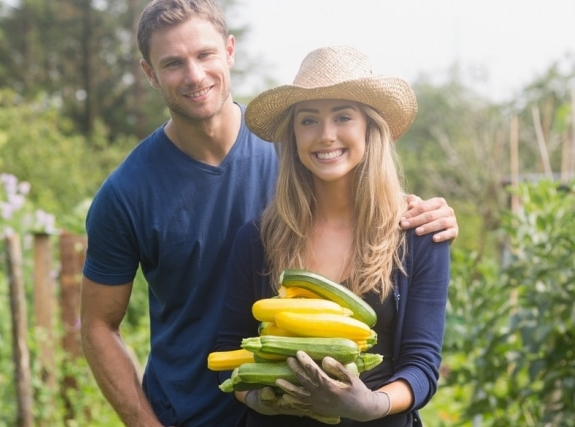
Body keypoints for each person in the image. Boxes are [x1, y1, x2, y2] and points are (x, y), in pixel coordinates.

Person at [80, 1, 457, 426]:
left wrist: (422, 216)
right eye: (173, 63)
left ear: (229, 51)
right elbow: (97, 325)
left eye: (204, 54)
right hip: (192, 414)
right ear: (149, 73)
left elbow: (360, 190)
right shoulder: (127, 193)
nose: (194, 74)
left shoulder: (301, 154)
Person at [213, 45, 451, 427]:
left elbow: (422, 366)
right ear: (293, 134)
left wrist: (372, 404)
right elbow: (228, 353)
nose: (326, 135)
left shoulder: (418, 234)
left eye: (343, 117)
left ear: (370, 128)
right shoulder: (258, 238)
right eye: (308, 120)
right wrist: (257, 398)